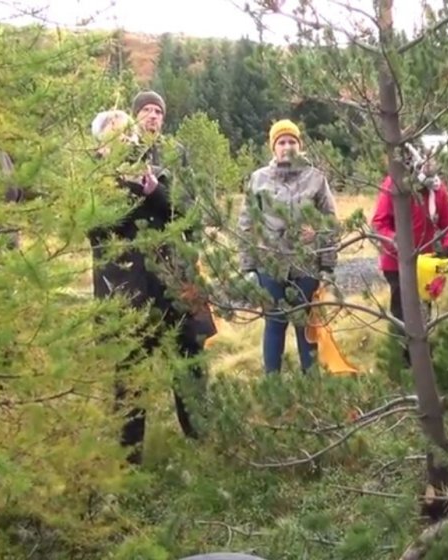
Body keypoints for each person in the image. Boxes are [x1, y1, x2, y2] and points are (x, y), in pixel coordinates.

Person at [88, 92, 216, 465]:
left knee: (188, 361)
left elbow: (189, 216)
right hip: (127, 291)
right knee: (130, 376)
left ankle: (200, 439)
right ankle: (130, 460)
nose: (122, 140)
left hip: (173, 284)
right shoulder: (95, 179)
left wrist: (153, 191)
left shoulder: (162, 170)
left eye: (124, 134)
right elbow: (94, 228)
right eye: (114, 134)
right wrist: (120, 188)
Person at [237, 119, 338, 375]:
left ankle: (311, 384)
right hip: (270, 266)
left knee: (306, 325)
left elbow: (330, 221)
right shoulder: (258, 179)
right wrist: (248, 267)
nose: (287, 147)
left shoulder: (315, 178)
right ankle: (272, 383)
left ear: (299, 146)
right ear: (273, 147)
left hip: (306, 265)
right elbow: (246, 224)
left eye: (292, 141)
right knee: (274, 323)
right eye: (281, 142)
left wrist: (326, 264)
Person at [371, 138, 448, 359]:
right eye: (428, 157)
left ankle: (422, 361)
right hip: (396, 263)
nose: (433, 163)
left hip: (426, 264)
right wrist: (396, 242)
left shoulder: (438, 190)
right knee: (403, 313)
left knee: (424, 312)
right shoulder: (395, 185)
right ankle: (403, 361)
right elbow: (379, 223)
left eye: (436, 158)